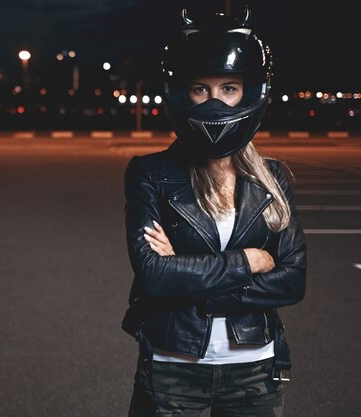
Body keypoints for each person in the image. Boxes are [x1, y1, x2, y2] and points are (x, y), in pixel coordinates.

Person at [122, 7, 307, 417]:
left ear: (250, 92)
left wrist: (187, 279)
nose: (214, 101)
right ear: (181, 92)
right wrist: (250, 260)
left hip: (255, 370)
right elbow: (153, 275)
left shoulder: (272, 177)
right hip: (173, 368)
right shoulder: (150, 173)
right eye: (200, 89)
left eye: (228, 88)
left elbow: (292, 282)